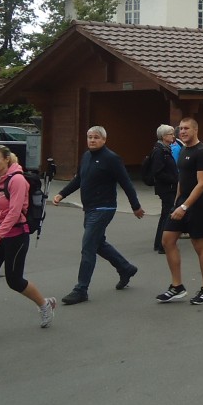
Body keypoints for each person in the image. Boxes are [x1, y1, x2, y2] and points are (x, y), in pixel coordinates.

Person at [0, 145, 56, 342]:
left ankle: (44, 304)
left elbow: (14, 214)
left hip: (16, 236)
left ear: (7, 160)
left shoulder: (18, 180)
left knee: (14, 281)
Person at [52, 125, 145, 305]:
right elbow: (79, 179)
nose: (92, 140)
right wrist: (62, 193)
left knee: (88, 247)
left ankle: (81, 289)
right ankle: (125, 268)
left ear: (103, 140)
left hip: (104, 208)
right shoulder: (86, 156)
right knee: (98, 244)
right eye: (89, 137)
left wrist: (136, 206)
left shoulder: (111, 158)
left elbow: (126, 182)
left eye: (96, 137)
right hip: (90, 208)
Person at [156, 118, 203, 304]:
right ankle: (177, 286)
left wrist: (184, 206)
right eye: (180, 128)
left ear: (195, 130)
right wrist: (176, 203)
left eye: (186, 128)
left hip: (199, 203)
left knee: (199, 245)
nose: (182, 131)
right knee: (167, 240)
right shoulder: (183, 150)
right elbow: (182, 179)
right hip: (182, 201)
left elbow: (202, 183)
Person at [148, 125, 180, 254]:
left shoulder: (165, 149)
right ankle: (163, 245)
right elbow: (158, 171)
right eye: (170, 134)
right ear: (163, 136)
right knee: (167, 215)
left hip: (167, 187)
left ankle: (159, 243)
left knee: (165, 215)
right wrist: (174, 179)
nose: (173, 136)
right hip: (167, 188)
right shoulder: (160, 151)